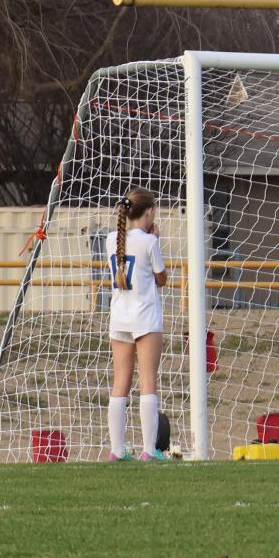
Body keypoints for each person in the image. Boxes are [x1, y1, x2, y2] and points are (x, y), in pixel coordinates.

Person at [107, 189, 169, 462]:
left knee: (120, 383)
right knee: (147, 381)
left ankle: (117, 450)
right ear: (150, 212)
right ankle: (148, 450)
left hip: (119, 316)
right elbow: (161, 279)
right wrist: (154, 240)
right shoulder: (149, 242)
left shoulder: (112, 239)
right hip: (144, 317)